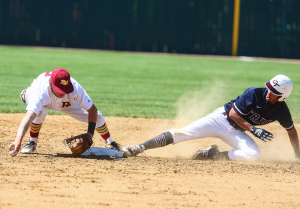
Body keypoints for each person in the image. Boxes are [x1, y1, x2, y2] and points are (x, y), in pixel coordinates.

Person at [122, 75, 300, 161]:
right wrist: (253, 129)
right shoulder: (254, 93)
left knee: (253, 155)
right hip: (220, 119)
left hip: (236, 132)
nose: (270, 93)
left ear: (282, 97)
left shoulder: (281, 111)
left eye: (275, 92)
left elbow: (292, 132)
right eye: (269, 88)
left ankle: (213, 154)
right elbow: (233, 114)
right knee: (182, 133)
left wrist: (298, 157)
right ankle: (140, 147)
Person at [9, 68, 120, 156]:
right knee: (39, 112)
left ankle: (109, 142)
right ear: (51, 84)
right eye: (60, 90)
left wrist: (90, 134)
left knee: (98, 117)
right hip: (42, 97)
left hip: (66, 103)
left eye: (65, 90)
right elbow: (29, 116)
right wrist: (18, 140)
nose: (62, 93)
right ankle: (32, 142)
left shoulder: (74, 88)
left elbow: (92, 110)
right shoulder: (40, 93)